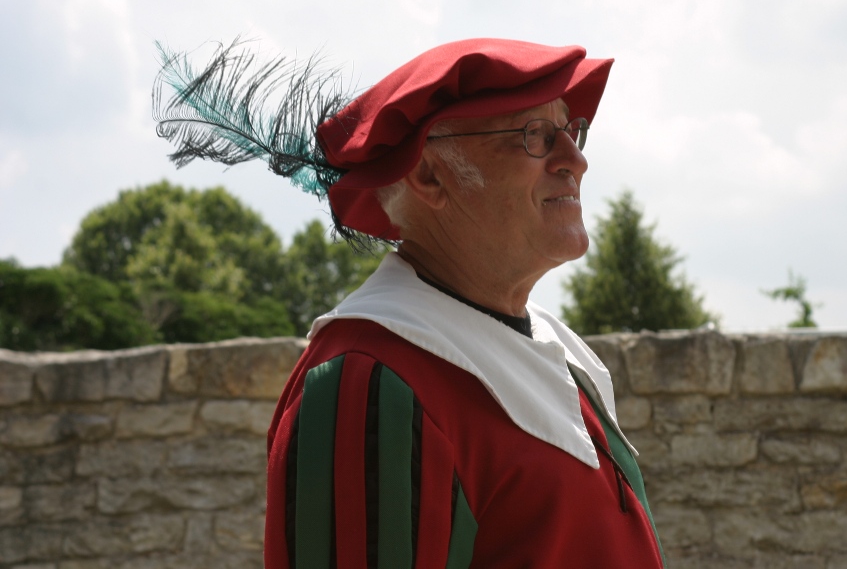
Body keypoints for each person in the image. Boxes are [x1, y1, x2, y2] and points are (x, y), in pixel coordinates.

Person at [153, 38, 663, 568]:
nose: (576, 160)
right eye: (536, 134)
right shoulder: (368, 380)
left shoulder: (557, 348)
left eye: (571, 131)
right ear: (428, 175)